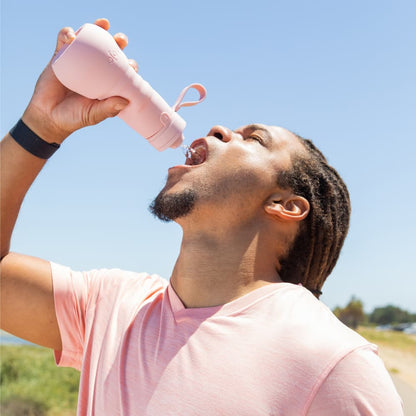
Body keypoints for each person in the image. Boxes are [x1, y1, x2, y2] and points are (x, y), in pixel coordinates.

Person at [1, 19, 403, 416]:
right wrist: (40, 124)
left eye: (254, 138)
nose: (219, 129)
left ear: (287, 205)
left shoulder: (334, 366)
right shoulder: (112, 305)